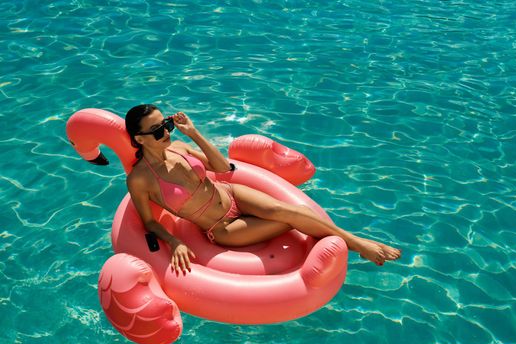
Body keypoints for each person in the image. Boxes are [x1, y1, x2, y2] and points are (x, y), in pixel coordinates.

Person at [125, 104, 401, 275]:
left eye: (167, 124)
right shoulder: (140, 180)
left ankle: (357, 243)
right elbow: (149, 221)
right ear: (139, 139)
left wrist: (194, 133)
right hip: (220, 228)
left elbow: (221, 168)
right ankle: (359, 246)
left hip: (231, 194)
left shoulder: (179, 147)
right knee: (293, 216)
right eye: (157, 130)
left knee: (292, 211)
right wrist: (175, 242)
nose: (166, 132)